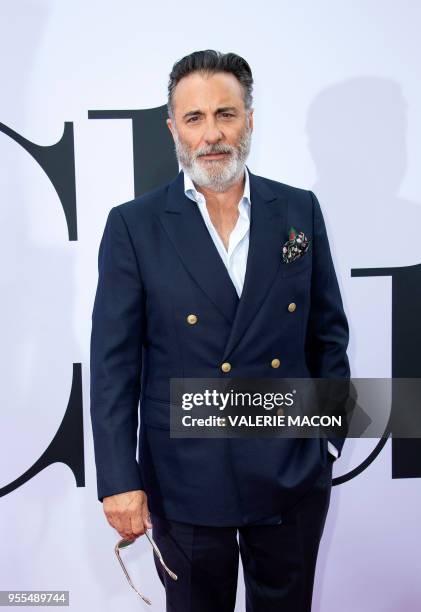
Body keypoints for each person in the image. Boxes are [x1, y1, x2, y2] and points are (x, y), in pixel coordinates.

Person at [90, 49, 350, 612]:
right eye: (195, 118)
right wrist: (117, 478)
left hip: (289, 474)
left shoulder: (299, 211)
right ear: (173, 129)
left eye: (226, 114)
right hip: (184, 479)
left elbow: (327, 337)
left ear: (249, 120)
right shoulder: (133, 226)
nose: (213, 134)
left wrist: (323, 446)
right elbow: (113, 367)